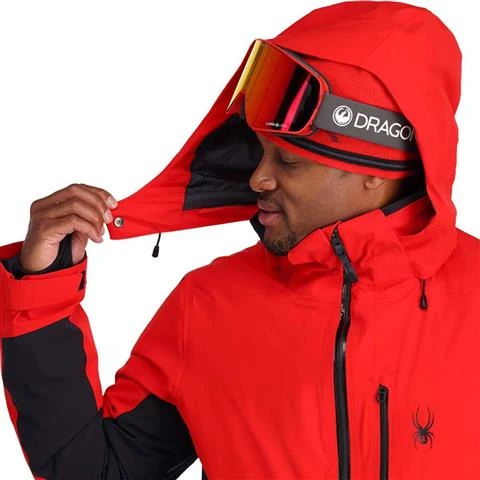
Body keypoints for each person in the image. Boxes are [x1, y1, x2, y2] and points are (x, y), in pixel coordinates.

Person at [0, 1, 478, 479]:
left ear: (376, 171)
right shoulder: (208, 305)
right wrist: (42, 292)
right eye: (260, 152)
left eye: (288, 161)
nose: (257, 179)